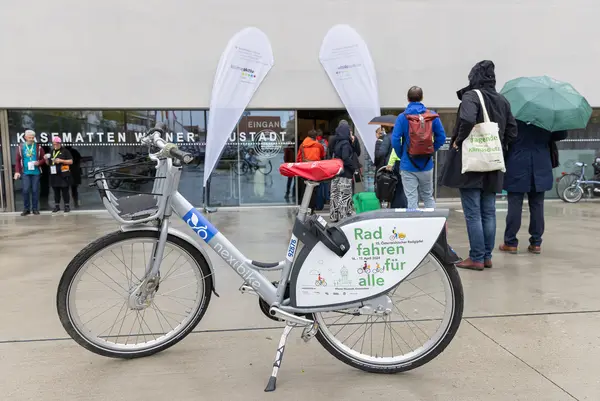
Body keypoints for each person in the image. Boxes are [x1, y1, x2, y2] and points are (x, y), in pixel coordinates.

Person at [441, 60, 518, 271]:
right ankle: (486, 256)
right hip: (492, 163)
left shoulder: (471, 96)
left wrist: (458, 140)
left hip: (472, 163)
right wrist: (498, 146)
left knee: (473, 213)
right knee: (489, 212)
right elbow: (513, 131)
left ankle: (476, 258)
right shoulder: (502, 100)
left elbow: (466, 119)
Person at [499, 120, 567, 254]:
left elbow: (504, 137)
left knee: (514, 206)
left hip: (517, 164)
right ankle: (536, 243)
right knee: (537, 206)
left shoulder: (514, 118)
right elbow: (562, 134)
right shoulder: (546, 119)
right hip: (541, 165)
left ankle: (511, 242)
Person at [391, 86, 446, 209]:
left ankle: (413, 226)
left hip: (407, 164)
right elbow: (441, 137)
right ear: (422, 98)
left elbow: (395, 140)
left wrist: (402, 155)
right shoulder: (431, 116)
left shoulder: (402, 117)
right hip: (426, 164)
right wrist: (431, 150)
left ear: (408, 99)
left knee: (411, 199)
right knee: (428, 197)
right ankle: (432, 225)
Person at [330, 122, 360, 222]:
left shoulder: (337, 142)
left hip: (336, 173)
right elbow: (346, 158)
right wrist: (353, 167)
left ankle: (334, 216)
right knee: (345, 196)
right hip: (345, 173)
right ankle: (344, 219)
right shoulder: (346, 144)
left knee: (335, 195)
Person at [13, 130, 46, 216]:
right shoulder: (21, 147)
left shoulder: (38, 147)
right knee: (25, 190)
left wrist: (39, 162)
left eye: (32, 137)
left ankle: (35, 208)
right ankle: (26, 209)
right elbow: (17, 160)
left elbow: (44, 158)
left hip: (36, 172)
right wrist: (17, 171)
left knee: (35, 190)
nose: (31, 139)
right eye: (29, 137)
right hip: (25, 172)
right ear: (25, 137)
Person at [296, 130, 326, 211]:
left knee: (304, 188)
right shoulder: (319, 145)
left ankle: (304, 207)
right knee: (314, 188)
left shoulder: (302, 145)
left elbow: (298, 158)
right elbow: (322, 156)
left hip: (305, 170)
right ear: (316, 137)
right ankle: (312, 208)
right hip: (315, 170)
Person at [47, 137, 74, 213]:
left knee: (65, 191)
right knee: (56, 191)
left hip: (63, 174)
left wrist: (61, 160)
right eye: (53, 144)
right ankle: (57, 206)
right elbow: (49, 163)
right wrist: (46, 159)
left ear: (59, 143)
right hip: (54, 174)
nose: (55, 145)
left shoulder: (65, 151)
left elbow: (71, 161)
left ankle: (67, 206)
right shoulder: (52, 151)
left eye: (56, 144)